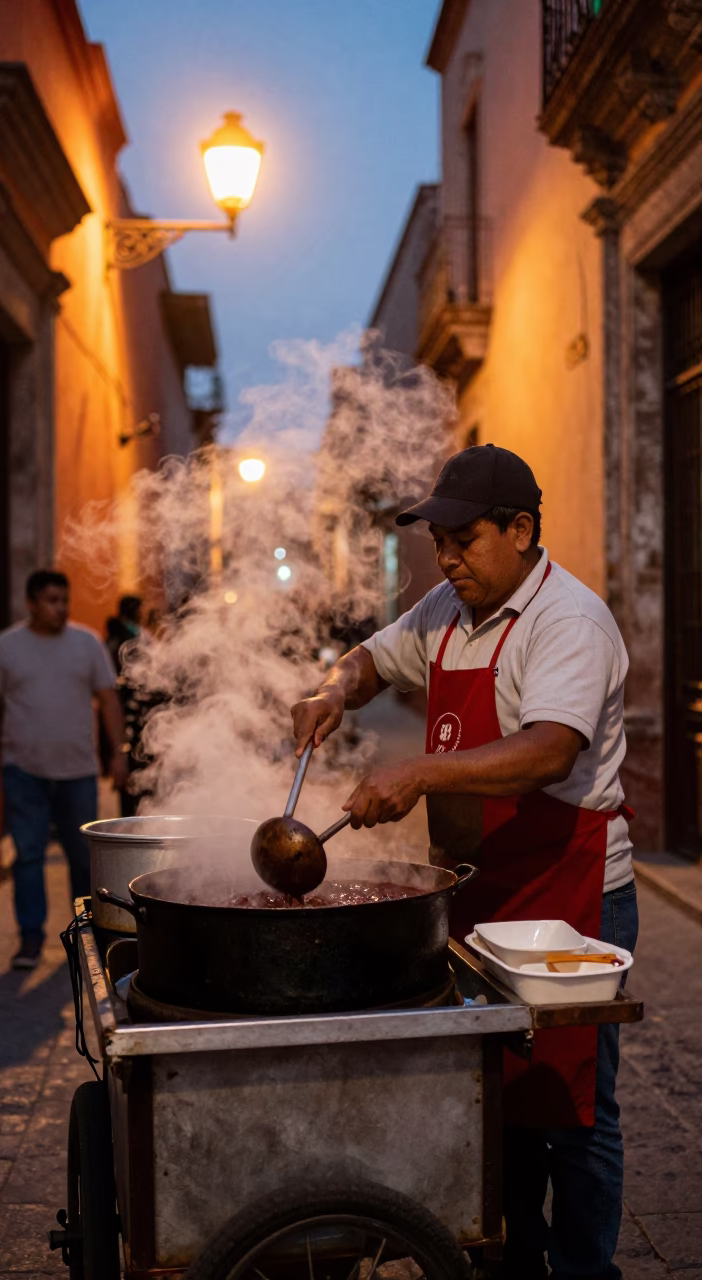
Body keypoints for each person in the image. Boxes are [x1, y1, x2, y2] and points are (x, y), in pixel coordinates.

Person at [291, 444, 637, 1280]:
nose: (446, 559)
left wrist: (417, 770)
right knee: (495, 1095)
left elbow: (549, 751)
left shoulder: (569, 621)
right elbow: (373, 657)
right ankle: (511, 1260)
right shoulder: (449, 606)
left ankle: (587, 1270)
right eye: (438, 541)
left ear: (521, 530)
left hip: (568, 893)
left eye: (464, 539)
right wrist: (333, 691)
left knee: (572, 1109)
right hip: (479, 892)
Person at [0, 569, 128, 969]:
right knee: (27, 855)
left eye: (63, 600)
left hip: (78, 772)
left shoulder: (87, 643)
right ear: (31, 603)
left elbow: (108, 700)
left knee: (82, 858)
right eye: (50, 600)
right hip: (22, 770)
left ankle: (85, 937)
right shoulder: (7, 647)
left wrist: (119, 753)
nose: (60, 608)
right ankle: (30, 939)